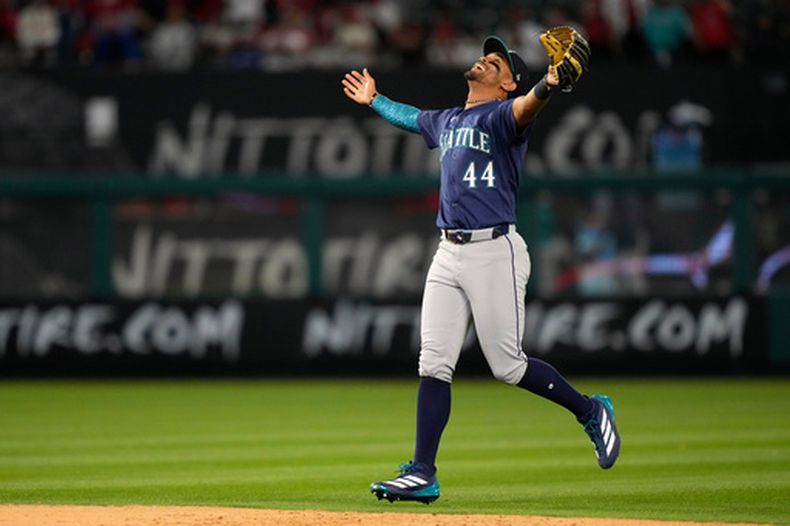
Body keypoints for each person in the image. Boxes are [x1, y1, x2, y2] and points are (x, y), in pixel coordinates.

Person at [341, 34, 621, 505]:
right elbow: (412, 119)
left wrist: (550, 83)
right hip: (448, 251)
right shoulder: (449, 119)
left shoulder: (502, 116)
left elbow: (528, 109)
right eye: (487, 55)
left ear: (507, 84)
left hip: (495, 249)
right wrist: (375, 100)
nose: (487, 59)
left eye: (498, 63)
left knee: (507, 365)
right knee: (433, 361)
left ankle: (591, 410)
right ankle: (423, 472)